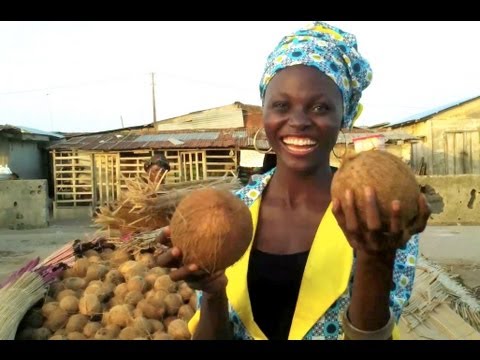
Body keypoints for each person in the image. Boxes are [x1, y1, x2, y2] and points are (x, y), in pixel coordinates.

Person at [156, 21, 430, 340]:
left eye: (319, 107)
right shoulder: (231, 213)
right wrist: (214, 293)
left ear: (344, 116)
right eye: (281, 105)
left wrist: (375, 261)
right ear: (265, 112)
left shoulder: (377, 214)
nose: (298, 121)